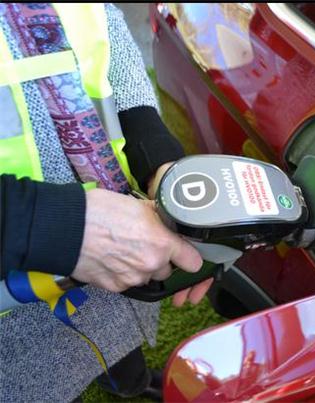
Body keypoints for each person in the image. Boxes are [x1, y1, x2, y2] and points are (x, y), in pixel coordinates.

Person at [0, 3, 211, 402]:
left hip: (115, 224)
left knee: (109, 332)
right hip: (11, 305)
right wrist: (52, 225)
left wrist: (152, 149)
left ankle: (125, 381)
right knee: (33, 380)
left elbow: (101, 21)